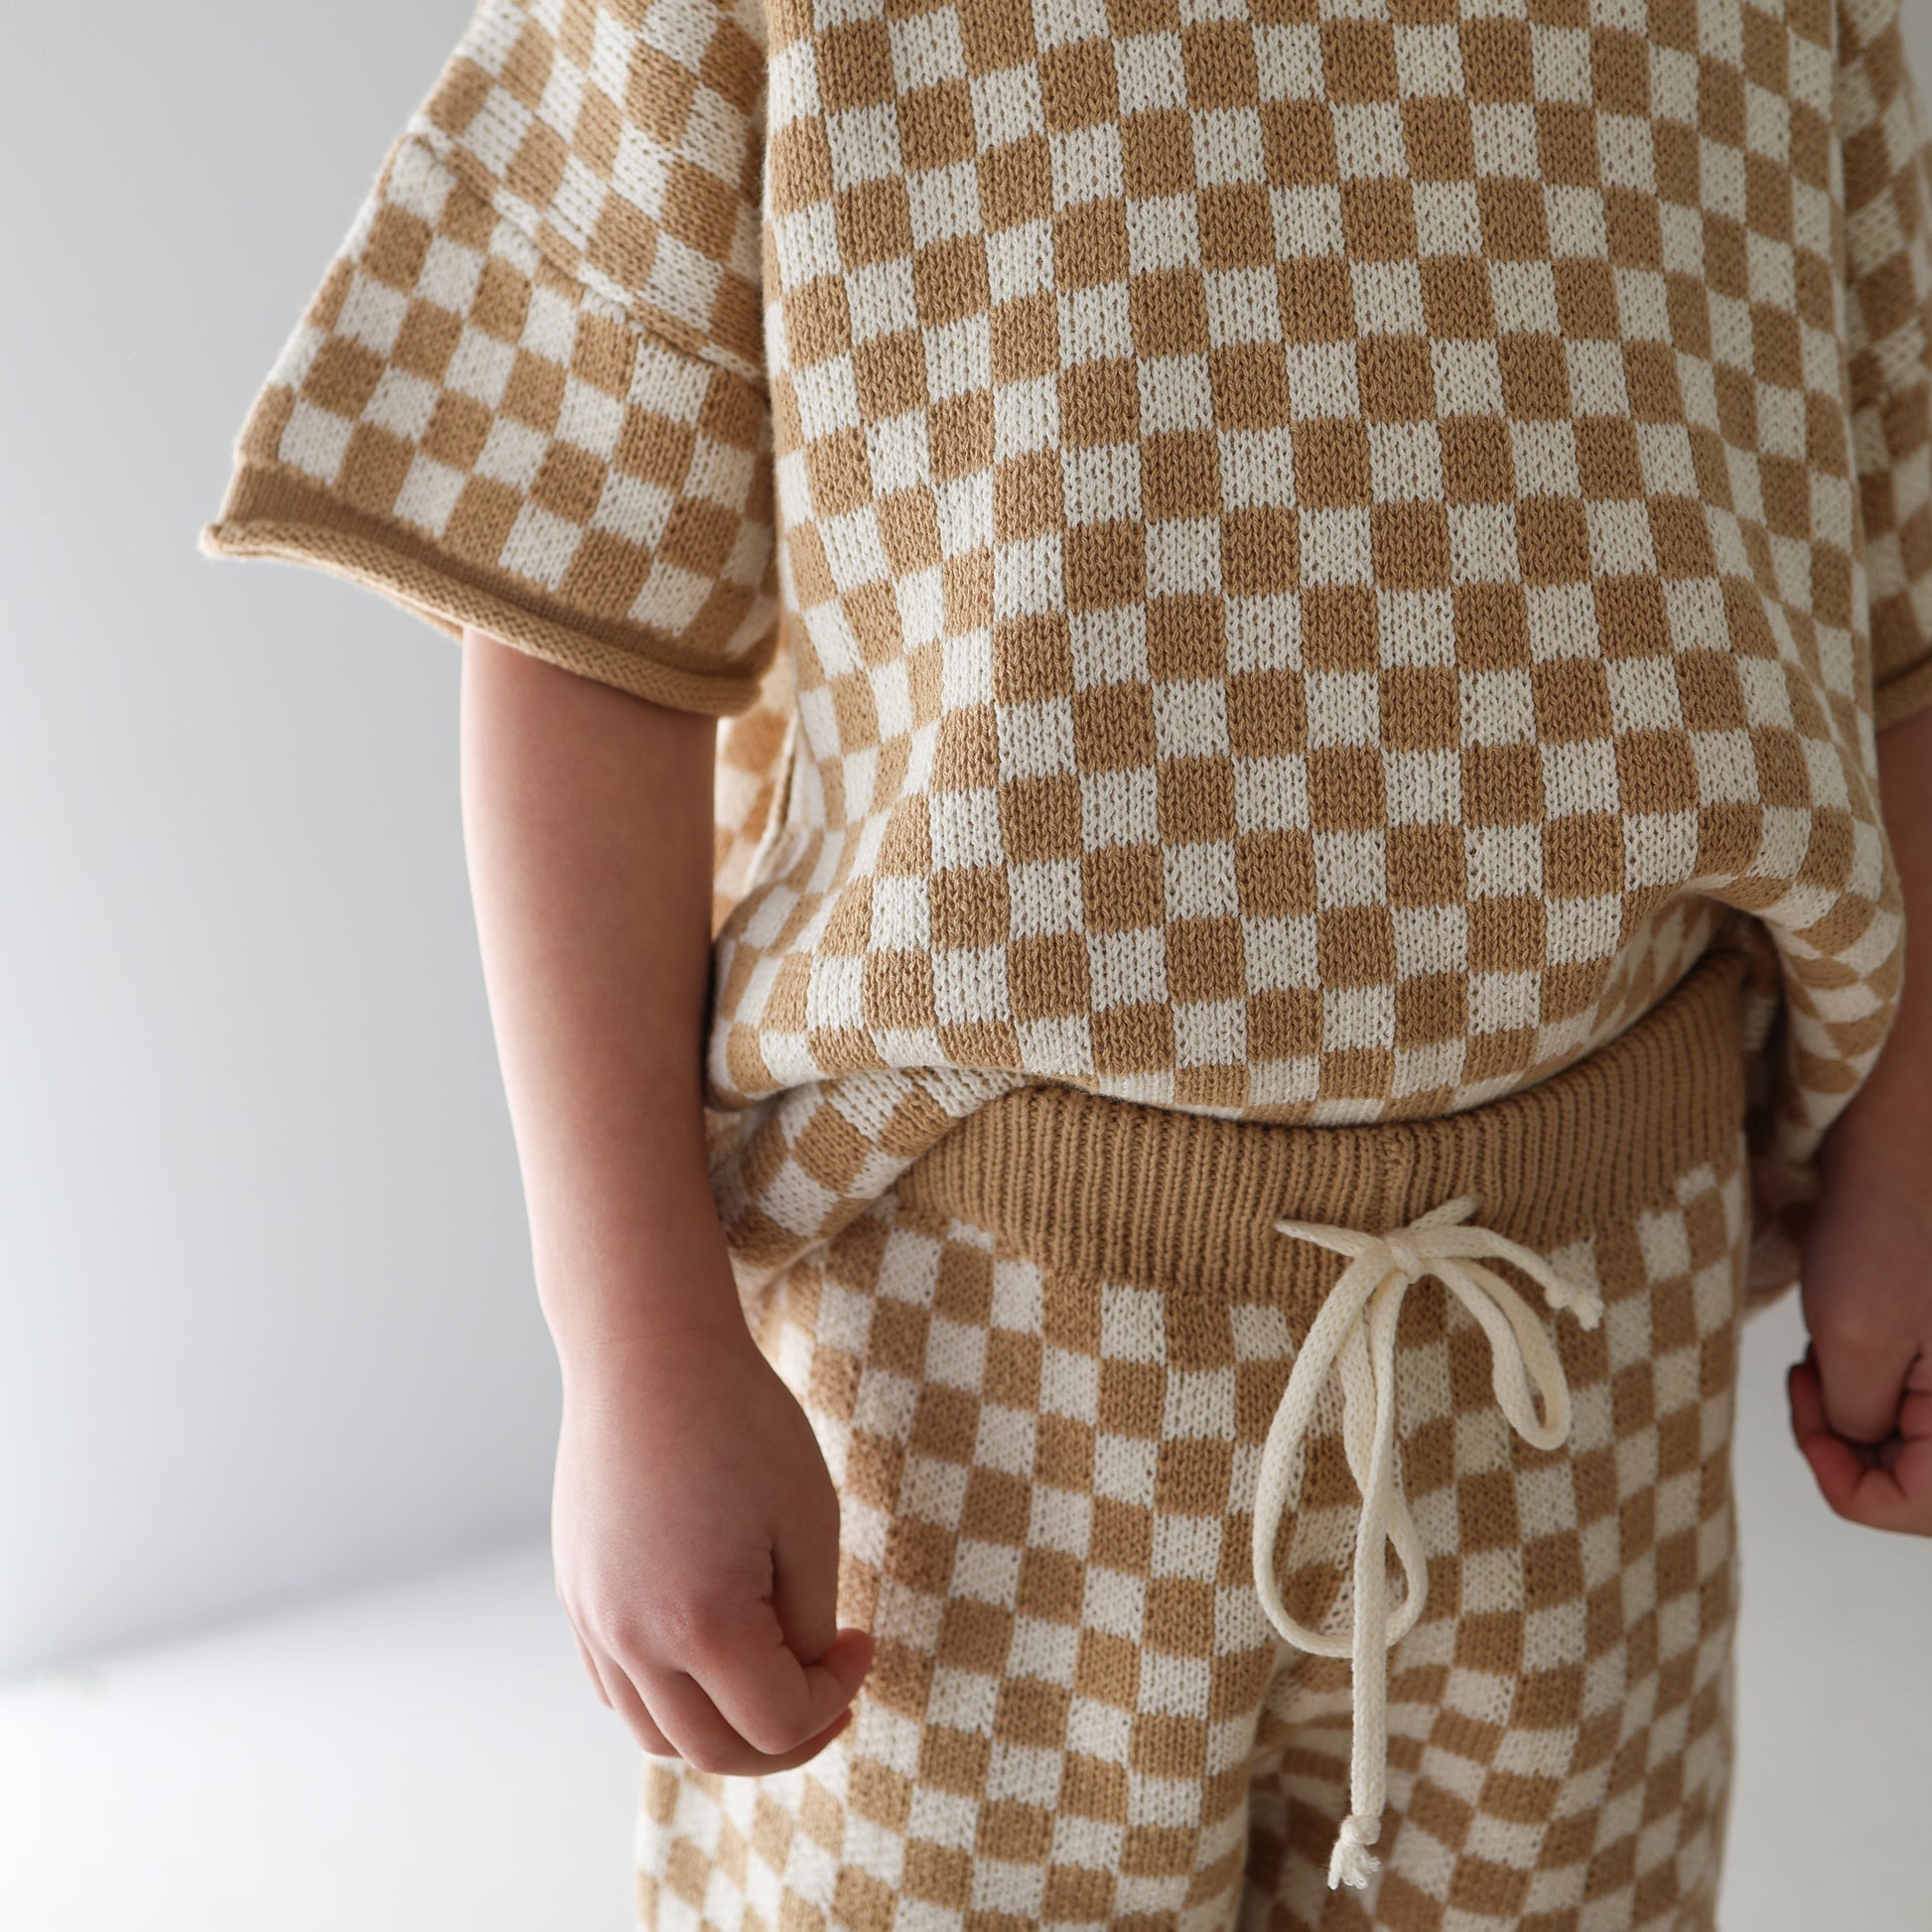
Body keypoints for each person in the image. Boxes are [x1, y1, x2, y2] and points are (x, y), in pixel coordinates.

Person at [200, 0, 1932, 1922]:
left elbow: (1893, 599)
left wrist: (1906, 1141)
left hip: (1586, 1348)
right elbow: (579, 600)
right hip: (966, 1383)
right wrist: (635, 1338)